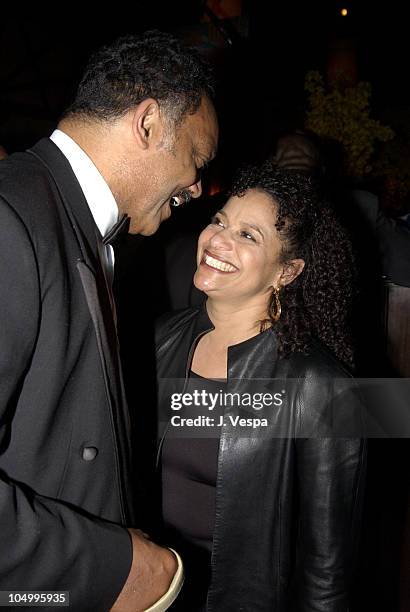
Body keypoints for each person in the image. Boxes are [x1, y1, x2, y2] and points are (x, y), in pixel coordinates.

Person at [0, 30, 218, 611]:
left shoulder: (73, 219)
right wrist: (112, 563)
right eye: (197, 158)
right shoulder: (9, 217)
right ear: (148, 123)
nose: (198, 187)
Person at [155, 165, 366, 611]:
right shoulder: (156, 338)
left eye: (248, 236)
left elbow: (328, 567)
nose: (217, 240)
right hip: (148, 591)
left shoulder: (327, 387)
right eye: (219, 221)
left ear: (287, 272)